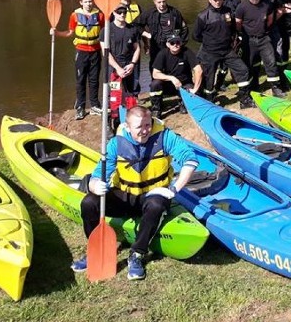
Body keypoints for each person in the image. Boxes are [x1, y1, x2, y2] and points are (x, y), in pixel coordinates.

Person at [70, 105, 199, 280]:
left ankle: (137, 253)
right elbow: (97, 175)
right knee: (89, 202)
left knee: (155, 205)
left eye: (148, 124)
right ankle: (95, 251)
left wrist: (174, 188)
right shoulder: (116, 143)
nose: (145, 130)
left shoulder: (165, 136)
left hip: (153, 194)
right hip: (124, 195)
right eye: (140, 127)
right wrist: (94, 185)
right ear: (128, 127)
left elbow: (190, 159)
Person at [194, 0, 254, 108]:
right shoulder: (203, 16)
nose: (217, 1)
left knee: (242, 70)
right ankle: (209, 101)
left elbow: (232, 29)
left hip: (227, 50)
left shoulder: (228, 12)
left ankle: (244, 99)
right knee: (208, 79)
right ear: (210, 0)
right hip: (210, 52)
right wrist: (210, 43)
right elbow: (196, 36)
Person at [52, 0, 104, 120]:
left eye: (90, 1)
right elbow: (70, 33)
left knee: (94, 79)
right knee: (81, 80)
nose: (88, 4)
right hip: (81, 52)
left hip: (95, 51)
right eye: (86, 2)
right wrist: (56, 33)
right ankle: (80, 107)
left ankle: (94, 105)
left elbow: (104, 32)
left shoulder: (100, 15)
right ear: (81, 3)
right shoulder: (74, 16)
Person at [235, 0, 286, 98]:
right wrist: (242, 35)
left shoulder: (265, 5)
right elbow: (238, 23)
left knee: (271, 62)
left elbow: (269, 19)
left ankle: (275, 87)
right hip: (249, 40)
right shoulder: (242, 6)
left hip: (264, 39)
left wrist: (264, 30)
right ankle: (253, 86)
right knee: (250, 64)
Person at [149, 34, 202, 117]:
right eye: (172, 43)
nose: (175, 45)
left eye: (177, 42)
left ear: (181, 43)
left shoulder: (187, 52)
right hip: (168, 85)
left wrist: (195, 89)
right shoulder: (162, 53)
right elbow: (155, 74)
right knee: (155, 84)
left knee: (195, 96)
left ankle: (182, 103)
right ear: (167, 44)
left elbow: (198, 70)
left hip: (184, 84)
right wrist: (172, 78)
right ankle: (156, 108)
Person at [105, 3, 141, 124]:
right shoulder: (107, 30)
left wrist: (132, 64)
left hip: (128, 67)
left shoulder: (132, 29)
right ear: (114, 13)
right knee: (114, 96)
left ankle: (131, 121)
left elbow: (137, 49)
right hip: (113, 70)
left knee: (130, 95)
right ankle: (112, 122)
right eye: (119, 12)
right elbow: (105, 53)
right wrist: (117, 68)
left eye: (124, 12)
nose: (122, 14)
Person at [139, 0, 189, 72]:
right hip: (156, 45)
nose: (162, 4)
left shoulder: (174, 12)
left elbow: (184, 29)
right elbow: (136, 25)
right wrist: (147, 34)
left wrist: (180, 43)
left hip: (172, 45)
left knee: (172, 68)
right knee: (155, 68)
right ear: (154, 2)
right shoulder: (149, 13)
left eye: (163, 1)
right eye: (159, 2)